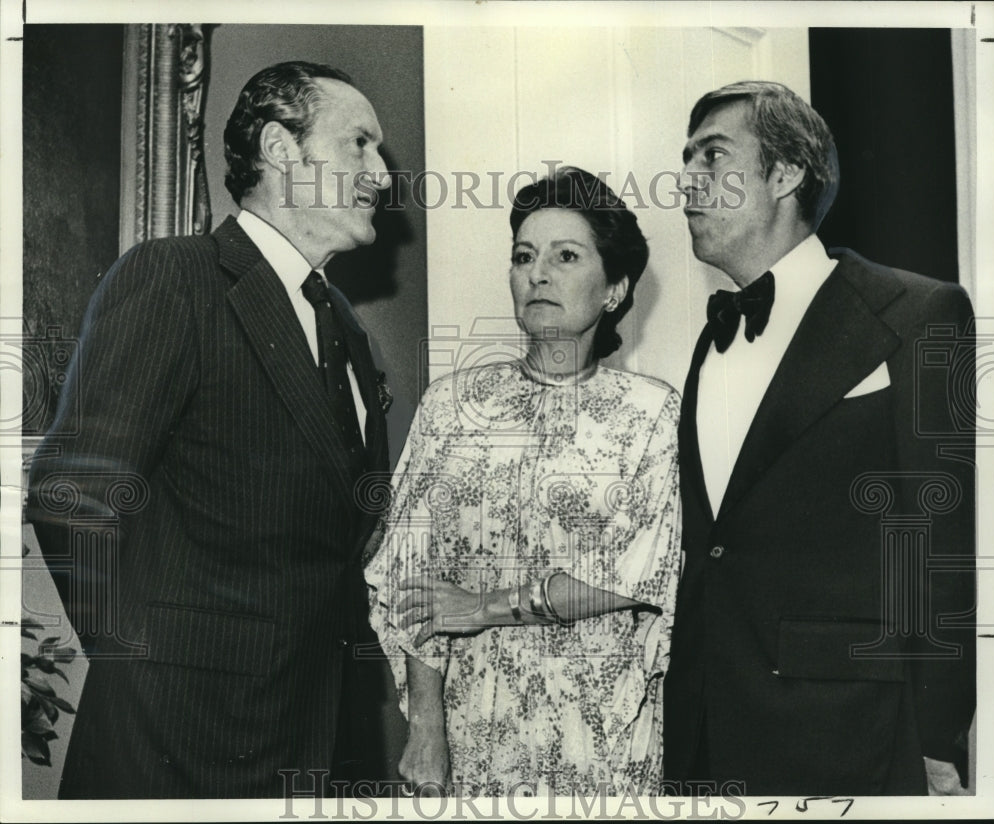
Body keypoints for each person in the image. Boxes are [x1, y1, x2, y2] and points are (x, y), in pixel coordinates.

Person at [26, 61, 393, 798]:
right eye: (360, 144)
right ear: (282, 150)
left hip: (324, 743)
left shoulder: (346, 330)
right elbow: (72, 494)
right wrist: (155, 670)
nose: (382, 175)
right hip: (182, 742)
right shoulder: (175, 277)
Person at [663, 80, 976, 796]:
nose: (687, 182)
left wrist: (936, 738)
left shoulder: (918, 312)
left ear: (785, 173)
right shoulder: (709, 345)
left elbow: (940, 546)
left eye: (712, 157)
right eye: (685, 162)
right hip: (705, 741)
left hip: (852, 739)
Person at [365, 167, 682, 797]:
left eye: (566, 256)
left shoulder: (653, 413)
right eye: (523, 256)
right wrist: (426, 730)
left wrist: (482, 608)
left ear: (615, 288)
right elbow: (411, 577)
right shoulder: (453, 406)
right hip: (475, 732)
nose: (537, 273)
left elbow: (635, 572)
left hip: (605, 737)